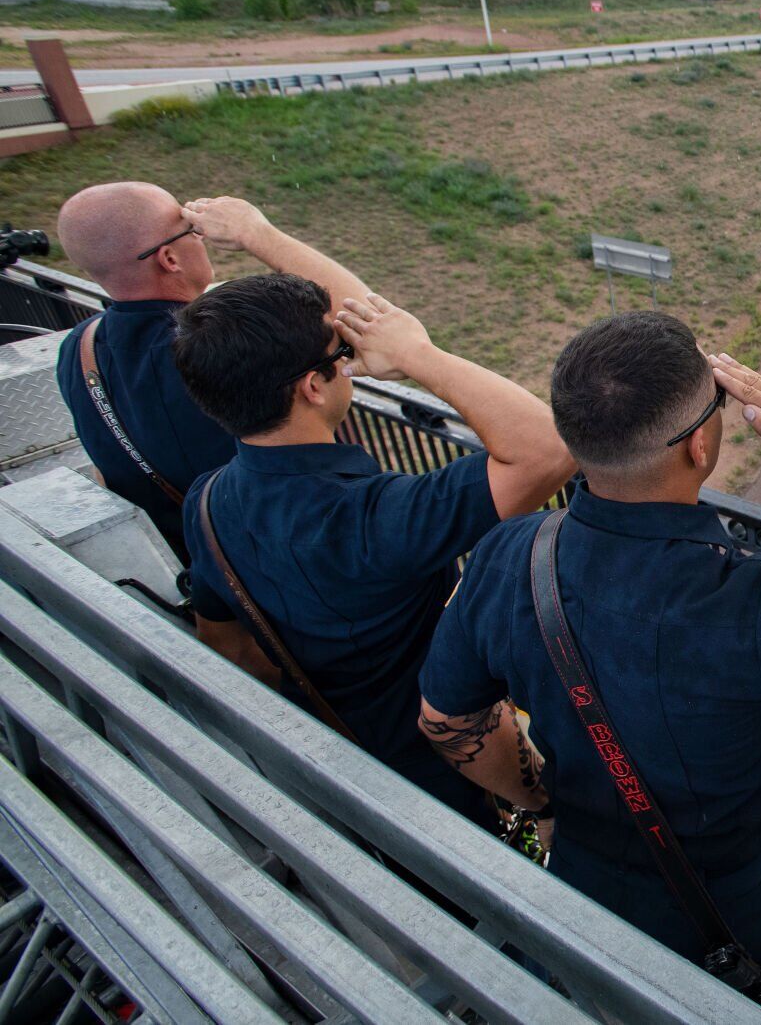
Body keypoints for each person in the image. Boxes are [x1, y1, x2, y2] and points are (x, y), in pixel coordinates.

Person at [416, 312, 761, 1006]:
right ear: (698, 446)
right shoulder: (759, 602)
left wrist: (539, 798)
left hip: (579, 881)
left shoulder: (512, 555)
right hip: (733, 907)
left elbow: (444, 717)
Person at [172, 275, 574, 824]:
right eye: (342, 352)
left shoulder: (207, 501)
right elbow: (549, 449)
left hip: (332, 769)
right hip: (444, 788)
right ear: (313, 386)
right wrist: (418, 356)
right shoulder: (377, 519)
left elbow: (231, 647)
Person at [54, 187, 369, 563]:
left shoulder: (78, 346)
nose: (200, 237)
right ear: (169, 258)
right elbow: (368, 319)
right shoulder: (225, 349)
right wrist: (256, 234)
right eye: (189, 229)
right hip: (304, 554)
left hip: (206, 565)